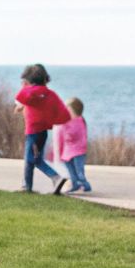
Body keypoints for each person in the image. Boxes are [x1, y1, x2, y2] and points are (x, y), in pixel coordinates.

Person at [14, 64, 70, 194]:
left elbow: (22, 96)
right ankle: (53, 179)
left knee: (30, 160)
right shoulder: (47, 94)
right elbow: (60, 111)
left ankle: (31, 186)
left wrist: (24, 87)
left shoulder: (32, 93)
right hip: (42, 132)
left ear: (29, 79)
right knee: (36, 159)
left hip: (33, 133)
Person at [55, 97, 93, 193]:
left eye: (69, 110)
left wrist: (65, 128)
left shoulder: (79, 121)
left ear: (75, 111)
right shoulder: (66, 122)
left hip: (78, 151)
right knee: (70, 170)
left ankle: (85, 184)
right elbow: (61, 137)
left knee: (79, 171)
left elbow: (75, 135)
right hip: (68, 151)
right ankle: (74, 183)